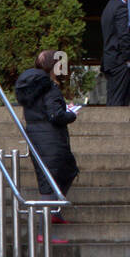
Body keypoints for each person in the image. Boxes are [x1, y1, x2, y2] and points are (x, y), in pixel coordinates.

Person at [15, 50, 81, 236]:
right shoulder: (49, 87)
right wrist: (72, 113)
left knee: (61, 172)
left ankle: (55, 210)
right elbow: (55, 115)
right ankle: (44, 232)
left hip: (36, 135)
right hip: (50, 138)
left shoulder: (32, 85)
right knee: (50, 179)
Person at [100, 0, 130, 107]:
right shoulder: (121, 8)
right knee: (119, 101)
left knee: (113, 97)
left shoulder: (109, 6)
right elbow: (124, 35)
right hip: (119, 61)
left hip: (111, 59)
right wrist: (128, 57)